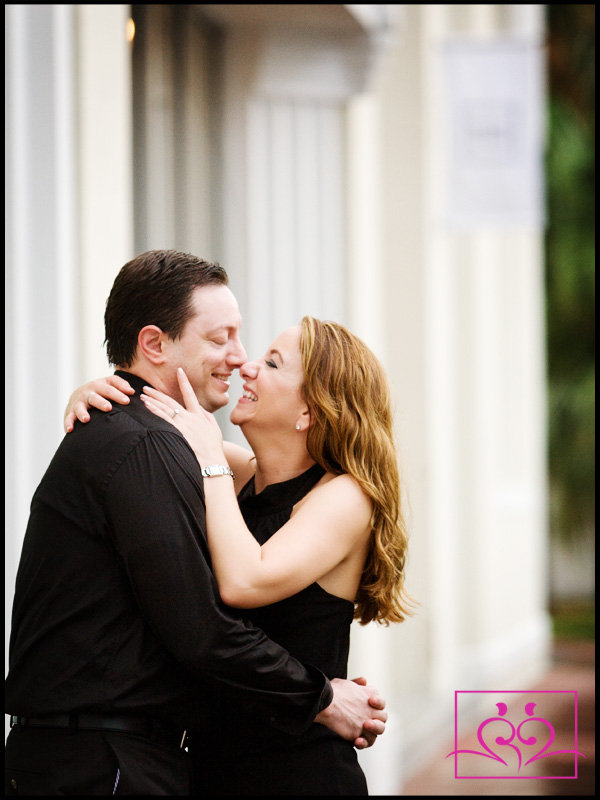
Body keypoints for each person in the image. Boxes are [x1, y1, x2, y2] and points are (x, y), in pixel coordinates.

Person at [4, 250, 387, 797]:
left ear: (311, 411)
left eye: (267, 359)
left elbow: (230, 586)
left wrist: (137, 402)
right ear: (155, 344)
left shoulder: (314, 489)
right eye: (219, 338)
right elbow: (204, 626)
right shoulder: (163, 448)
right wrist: (105, 393)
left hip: (282, 768)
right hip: (123, 762)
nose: (243, 360)